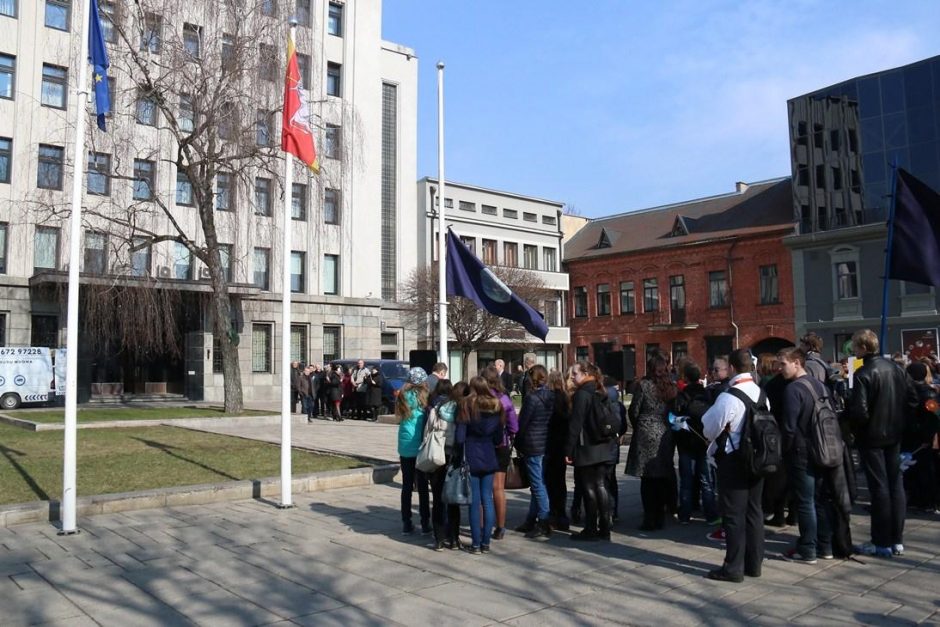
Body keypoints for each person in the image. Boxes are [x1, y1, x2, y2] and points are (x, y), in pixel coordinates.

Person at [848, 329, 914, 557]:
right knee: (895, 484)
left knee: (880, 488)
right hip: (894, 434)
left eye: (855, 346)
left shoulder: (864, 373)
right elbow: (912, 399)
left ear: (864, 348)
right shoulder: (896, 369)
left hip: (873, 437)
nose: (853, 350)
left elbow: (859, 411)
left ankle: (882, 540)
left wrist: (859, 428)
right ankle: (896, 539)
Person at [702, 348, 766, 583]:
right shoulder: (761, 393)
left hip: (735, 460)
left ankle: (733, 568)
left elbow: (709, 427)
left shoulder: (729, 396)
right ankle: (754, 564)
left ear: (731, 368)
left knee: (733, 515)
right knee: (754, 512)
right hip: (758, 459)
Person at [777, 347, 831, 563]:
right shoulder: (820, 385)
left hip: (802, 451)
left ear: (797, 362)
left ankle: (808, 548)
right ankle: (825, 545)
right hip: (823, 448)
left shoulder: (793, 389)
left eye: (783, 364)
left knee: (805, 501)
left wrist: (784, 451)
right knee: (820, 499)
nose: (779, 368)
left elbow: (789, 427)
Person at [626, 350, 678, 531]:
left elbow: (634, 410)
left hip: (646, 432)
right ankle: (661, 515)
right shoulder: (671, 386)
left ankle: (649, 518)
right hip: (664, 432)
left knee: (647, 479)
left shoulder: (644, 385)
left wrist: (639, 424)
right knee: (662, 476)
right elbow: (674, 411)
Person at [455, 376, 505, 554]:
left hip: (472, 454)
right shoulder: (497, 406)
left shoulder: (466, 405)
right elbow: (499, 438)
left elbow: (460, 437)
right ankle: (485, 543)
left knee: (474, 502)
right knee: (487, 499)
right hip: (489, 453)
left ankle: (476, 543)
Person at [565, 361, 613, 541]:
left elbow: (575, 425)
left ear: (585, 373)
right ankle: (605, 527)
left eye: (575, 373)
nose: (572, 376)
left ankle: (591, 528)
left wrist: (568, 450)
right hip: (603, 443)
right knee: (601, 485)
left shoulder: (582, 394)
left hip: (587, 447)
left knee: (588, 488)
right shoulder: (601, 390)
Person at [673, 362, 720, 526]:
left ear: (685, 377)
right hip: (704, 441)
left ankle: (685, 515)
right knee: (706, 480)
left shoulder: (682, 395)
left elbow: (676, 419)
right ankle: (711, 514)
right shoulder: (707, 394)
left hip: (686, 442)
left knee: (686, 481)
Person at [514, 365, 554, 539]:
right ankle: (531, 518)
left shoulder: (532, 398)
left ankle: (543, 521)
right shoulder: (552, 396)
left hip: (533, 443)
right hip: (545, 442)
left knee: (537, 484)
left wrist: (517, 442)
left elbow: (523, 423)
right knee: (537, 482)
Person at [482, 365, 518, 540]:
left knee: (482, 488)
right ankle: (500, 527)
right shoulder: (504, 399)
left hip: (481, 446)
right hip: (501, 444)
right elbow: (514, 426)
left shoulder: (476, 399)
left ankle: (482, 526)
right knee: (498, 487)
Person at [396, 367, 431, 535]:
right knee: (423, 486)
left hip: (405, 445)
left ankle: (406, 521)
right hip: (420, 445)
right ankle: (425, 522)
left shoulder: (402, 396)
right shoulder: (424, 397)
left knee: (407, 485)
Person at [426, 379, 458, 551]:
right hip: (453, 455)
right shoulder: (457, 408)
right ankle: (453, 537)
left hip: (438, 455)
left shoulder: (435, 410)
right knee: (453, 498)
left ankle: (438, 538)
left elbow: (428, 430)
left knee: (438, 499)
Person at [904, 362, 940, 513]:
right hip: (924, 438)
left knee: (916, 469)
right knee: (924, 469)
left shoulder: (908, 393)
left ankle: (920, 498)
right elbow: (936, 416)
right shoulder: (929, 394)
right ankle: (926, 500)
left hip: (915, 437)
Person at [544, 369, 572, 530]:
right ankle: (561, 514)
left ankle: (553, 513)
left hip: (550, 442)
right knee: (560, 481)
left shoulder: (550, 398)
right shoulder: (566, 398)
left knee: (550, 480)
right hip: (562, 443)